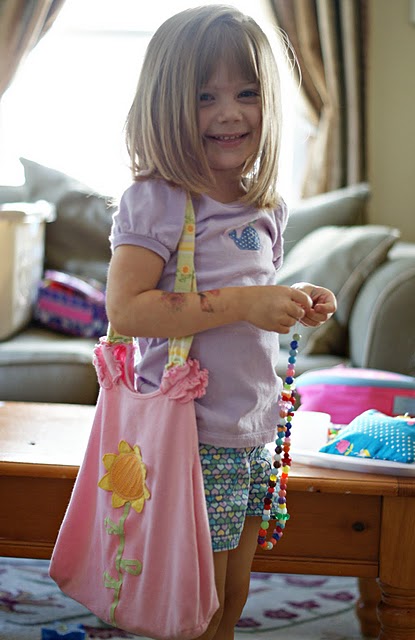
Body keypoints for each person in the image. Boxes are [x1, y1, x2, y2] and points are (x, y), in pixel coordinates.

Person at [106, 5, 337, 639]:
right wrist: (242, 302)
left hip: (252, 427)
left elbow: (254, 299)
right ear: (165, 103)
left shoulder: (266, 204)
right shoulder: (156, 198)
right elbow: (126, 310)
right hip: (191, 436)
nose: (230, 112)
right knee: (193, 602)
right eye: (206, 96)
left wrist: (293, 300)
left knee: (232, 594)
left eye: (247, 93)